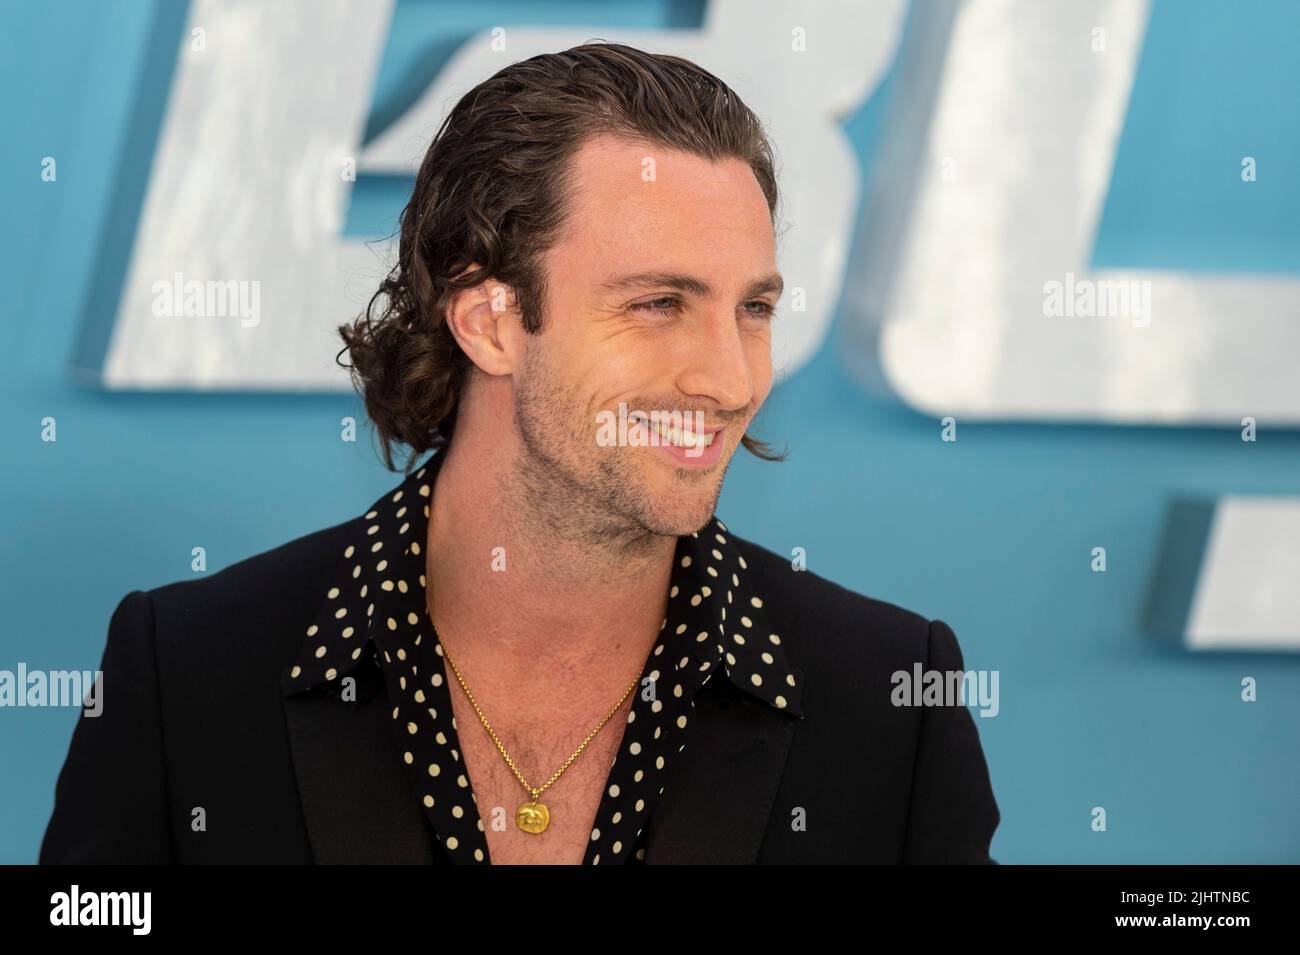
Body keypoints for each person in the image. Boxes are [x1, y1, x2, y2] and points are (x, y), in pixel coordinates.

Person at [41, 41, 999, 864]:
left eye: (752, 309)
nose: (729, 377)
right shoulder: (190, 675)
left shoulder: (890, 698)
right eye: (657, 304)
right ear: (489, 320)